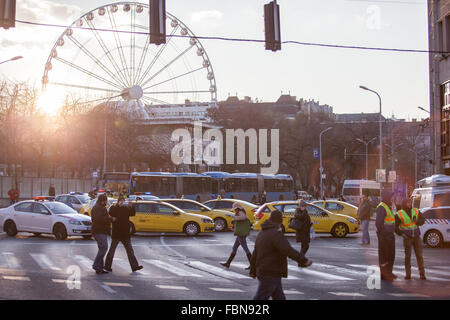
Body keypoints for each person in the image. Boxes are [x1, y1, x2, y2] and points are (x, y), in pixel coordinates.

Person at [250, 210, 312, 300]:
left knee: (279, 297)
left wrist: (253, 270)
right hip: (271, 271)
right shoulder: (276, 234)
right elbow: (288, 250)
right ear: (280, 221)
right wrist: (304, 260)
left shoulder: (262, 233)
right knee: (261, 297)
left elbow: (255, 253)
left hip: (265, 270)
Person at [104, 197, 143, 272]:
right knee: (112, 250)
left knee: (130, 251)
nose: (122, 202)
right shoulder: (114, 208)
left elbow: (132, 214)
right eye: (120, 201)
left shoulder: (126, 208)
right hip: (117, 233)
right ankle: (107, 266)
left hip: (125, 233)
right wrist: (116, 206)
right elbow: (111, 213)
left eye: (123, 201)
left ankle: (134, 266)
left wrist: (131, 207)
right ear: (118, 202)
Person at [395, 197, 426, 280]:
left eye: (410, 202)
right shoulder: (399, 213)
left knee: (419, 256)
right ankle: (408, 274)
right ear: (404, 204)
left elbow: (423, 220)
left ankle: (422, 274)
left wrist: (417, 222)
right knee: (407, 256)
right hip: (407, 237)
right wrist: (401, 234)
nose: (409, 204)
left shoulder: (415, 210)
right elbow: (395, 226)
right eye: (408, 203)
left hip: (416, 237)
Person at [220, 202, 252, 269]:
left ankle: (253, 264)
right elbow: (240, 220)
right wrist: (233, 220)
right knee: (234, 248)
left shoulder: (240, 212)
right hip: (240, 233)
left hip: (241, 234)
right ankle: (228, 263)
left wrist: (233, 217)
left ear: (237, 208)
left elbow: (243, 217)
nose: (234, 210)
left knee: (245, 248)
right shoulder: (239, 212)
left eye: (235, 209)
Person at [375, 189, 397, 281]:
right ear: (387, 197)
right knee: (384, 256)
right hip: (384, 236)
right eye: (391, 197)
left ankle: (389, 272)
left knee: (391, 255)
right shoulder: (382, 207)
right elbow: (379, 223)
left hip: (389, 235)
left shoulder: (388, 206)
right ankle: (384, 274)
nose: (392, 198)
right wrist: (384, 234)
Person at [91, 194, 113, 274]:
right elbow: (99, 219)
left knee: (102, 248)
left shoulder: (100, 207)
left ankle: (99, 268)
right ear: (101, 201)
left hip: (101, 231)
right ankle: (96, 265)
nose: (106, 202)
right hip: (99, 231)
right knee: (104, 248)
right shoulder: (97, 208)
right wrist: (110, 219)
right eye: (105, 201)